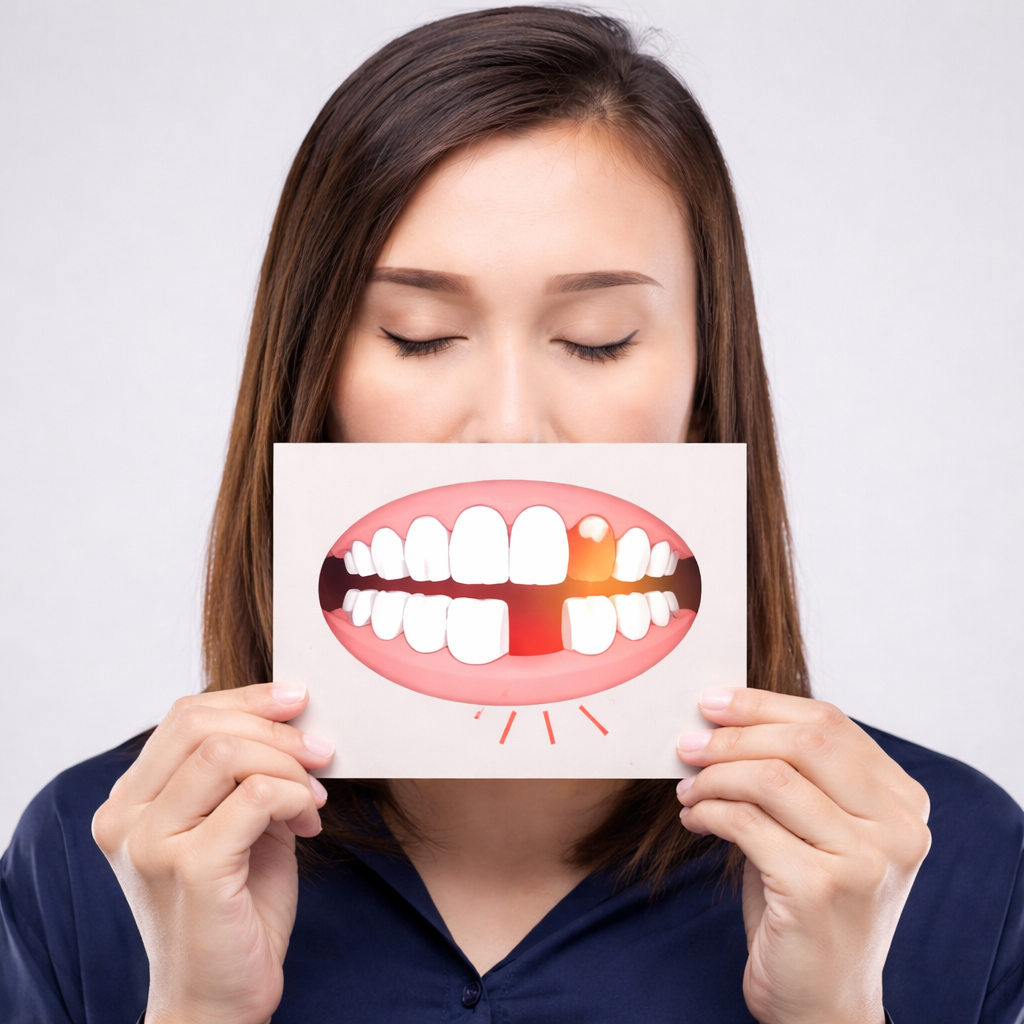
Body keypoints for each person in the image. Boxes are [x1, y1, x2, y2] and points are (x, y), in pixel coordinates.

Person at [2, 8, 1021, 1023]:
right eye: (418, 334)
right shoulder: (100, 862)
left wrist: (834, 1011)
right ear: (311, 385)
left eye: (596, 339)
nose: (507, 429)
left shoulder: (952, 862)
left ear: (706, 391)